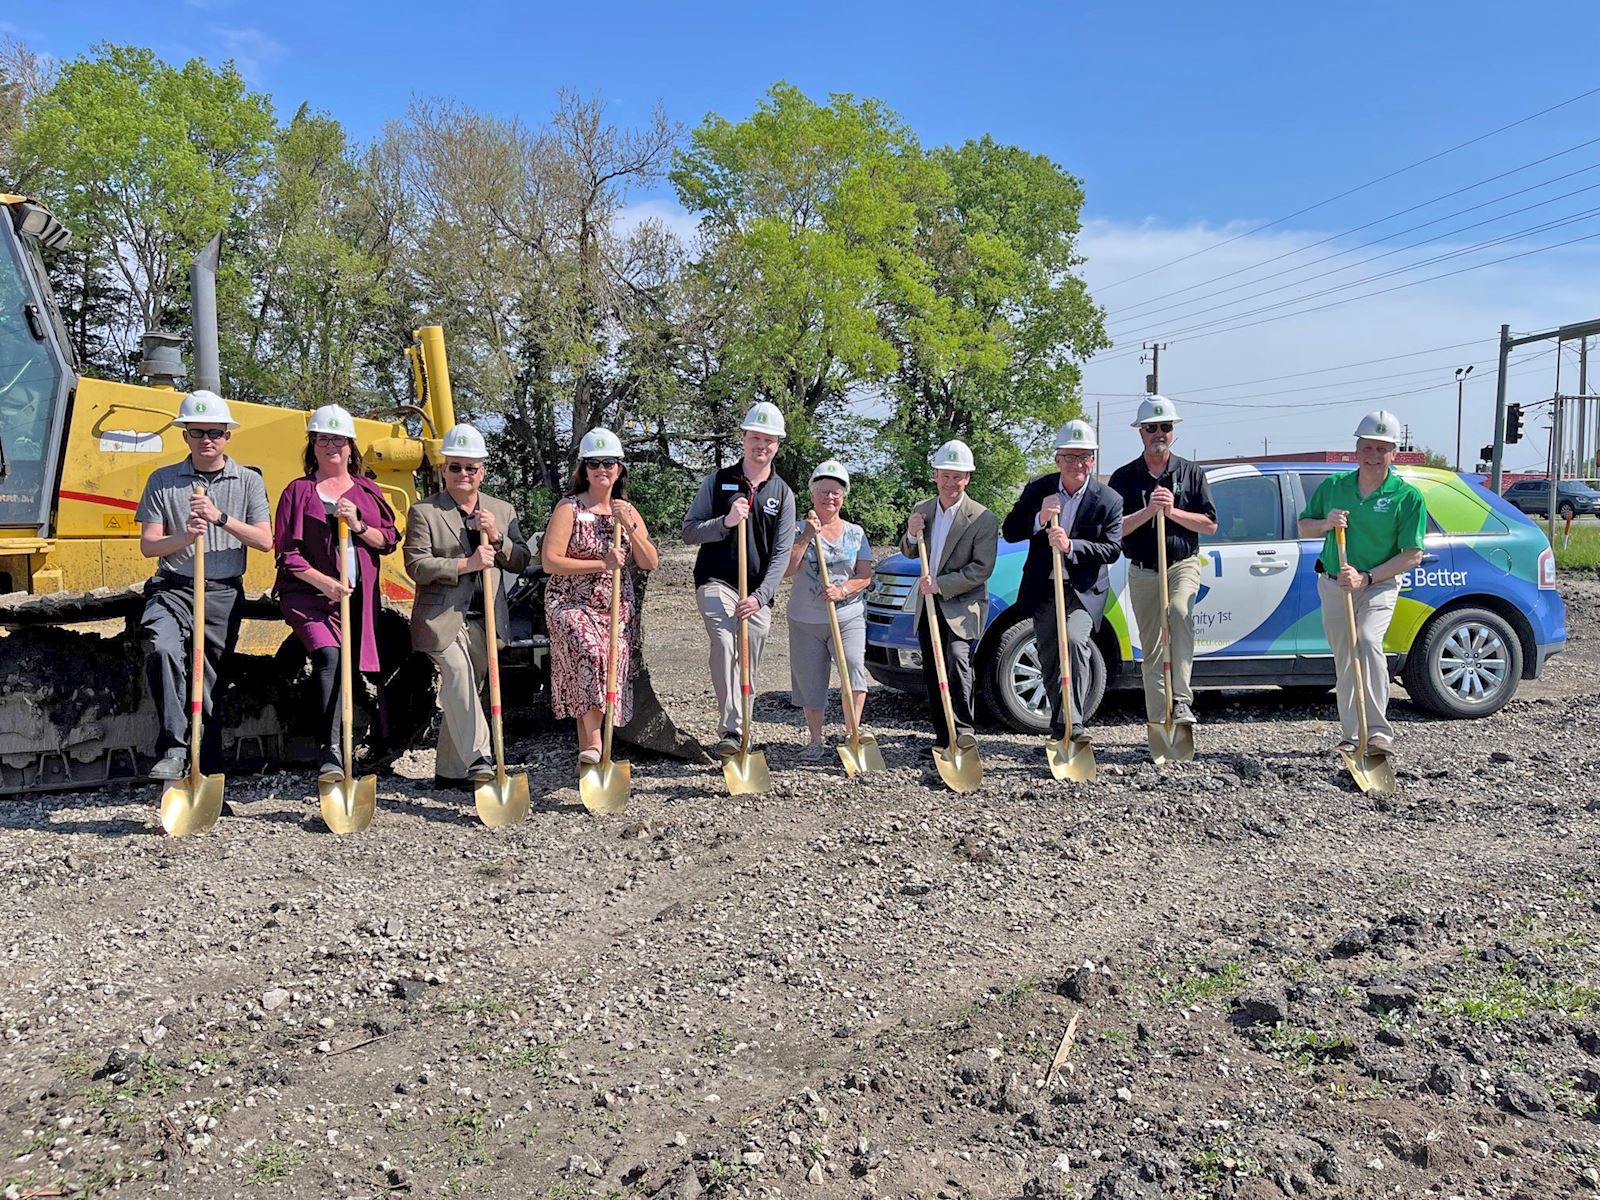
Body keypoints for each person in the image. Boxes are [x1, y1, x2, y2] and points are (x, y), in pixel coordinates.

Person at [136, 390, 273, 781]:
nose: (207, 439)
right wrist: (185, 535)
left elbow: (265, 541)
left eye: (215, 432)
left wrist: (219, 517)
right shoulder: (162, 481)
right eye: (197, 432)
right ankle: (174, 748)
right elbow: (149, 545)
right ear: (185, 436)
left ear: (228, 435)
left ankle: (207, 773)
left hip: (222, 593)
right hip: (173, 587)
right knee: (161, 649)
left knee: (210, 680)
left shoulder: (247, 481)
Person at [273, 405, 400, 781]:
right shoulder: (298, 491)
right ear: (313, 445)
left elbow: (387, 541)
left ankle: (357, 741)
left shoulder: (367, 492)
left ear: (350, 447)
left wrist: (357, 523)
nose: (331, 446)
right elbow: (288, 556)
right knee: (330, 657)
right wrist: (324, 582)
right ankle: (329, 751)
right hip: (309, 596)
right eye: (323, 439)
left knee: (352, 666)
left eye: (338, 439)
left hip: (356, 599)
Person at [402, 423, 532, 790]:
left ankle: (448, 771)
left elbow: (521, 559)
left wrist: (497, 537)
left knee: (466, 694)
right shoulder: (424, 512)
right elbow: (416, 565)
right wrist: (465, 565)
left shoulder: (501, 510)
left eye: (470, 468)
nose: (463, 474)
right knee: (457, 678)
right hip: (441, 620)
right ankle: (481, 760)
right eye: (455, 467)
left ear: (482, 471)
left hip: (486, 620)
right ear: (443, 469)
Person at [1296, 409, 1425, 756]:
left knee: (1368, 642)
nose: (1374, 456)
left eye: (1382, 449)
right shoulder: (1334, 487)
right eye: (1368, 447)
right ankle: (1352, 735)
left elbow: (1411, 554)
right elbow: (1303, 526)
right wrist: (1326, 523)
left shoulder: (1407, 497)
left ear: (1393, 453)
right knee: (1346, 657)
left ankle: (1379, 733)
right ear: (1357, 449)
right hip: (1335, 583)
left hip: (1378, 584)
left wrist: (1366, 577)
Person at [681, 402, 796, 758]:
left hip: (757, 591)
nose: (762, 445)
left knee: (748, 657)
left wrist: (761, 596)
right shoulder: (717, 482)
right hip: (716, 580)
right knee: (725, 643)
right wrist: (726, 522)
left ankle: (743, 725)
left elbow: (780, 555)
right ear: (744, 439)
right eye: (756, 437)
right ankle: (730, 731)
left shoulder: (784, 494)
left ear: (777, 445)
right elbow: (689, 532)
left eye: (769, 440)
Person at [541, 428, 660, 765]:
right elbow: (551, 561)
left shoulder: (627, 510)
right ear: (584, 469)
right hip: (571, 602)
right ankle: (595, 742)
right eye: (594, 463)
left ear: (619, 468)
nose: (602, 469)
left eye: (609, 463)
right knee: (590, 653)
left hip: (614, 606)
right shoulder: (570, 508)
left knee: (605, 670)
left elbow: (649, 561)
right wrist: (600, 563)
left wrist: (630, 527)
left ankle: (591, 756)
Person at [1002, 419, 1123, 745]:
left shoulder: (1108, 499)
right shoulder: (1039, 489)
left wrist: (1071, 546)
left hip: (1083, 590)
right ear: (1057, 459)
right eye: (1070, 457)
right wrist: (1040, 519)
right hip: (1044, 587)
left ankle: (1076, 724)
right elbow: (1010, 530)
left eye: (1084, 457)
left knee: (1073, 641)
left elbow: (1112, 549)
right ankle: (1060, 726)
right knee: (1050, 654)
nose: (1077, 464)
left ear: (1093, 460)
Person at [1107, 395, 1218, 730]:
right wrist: (1148, 512)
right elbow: (1114, 529)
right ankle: (1159, 718)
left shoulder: (1191, 472)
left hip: (1182, 563)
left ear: (1173, 432)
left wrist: (1172, 512)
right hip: (1143, 568)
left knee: (1180, 612)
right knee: (1153, 644)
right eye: (1152, 427)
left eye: (1165, 427)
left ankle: (1181, 700)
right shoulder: (1124, 478)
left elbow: (1210, 525)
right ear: (1141, 432)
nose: (1159, 433)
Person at [900, 439, 999, 754]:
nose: (951, 482)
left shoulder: (983, 518)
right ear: (935, 475)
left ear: (967, 478)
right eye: (946, 475)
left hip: (960, 606)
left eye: (958, 476)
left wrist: (940, 584)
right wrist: (909, 532)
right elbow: (908, 550)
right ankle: (943, 737)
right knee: (931, 668)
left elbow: (980, 570)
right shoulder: (922, 510)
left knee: (956, 661)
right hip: (927, 606)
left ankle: (963, 732)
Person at [783, 459, 874, 759]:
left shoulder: (856, 534)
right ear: (812, 494)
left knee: (853, 670)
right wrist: (807, 536)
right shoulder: (796, 529)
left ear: (843, 497)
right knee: (811, 679)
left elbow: (865, 575)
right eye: (823, 491)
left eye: (835, 492)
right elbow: (787, 571)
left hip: (847, 616)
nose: (829, 498)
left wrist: (843, 590)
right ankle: (815, 740)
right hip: (805, 618)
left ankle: (852, 735)